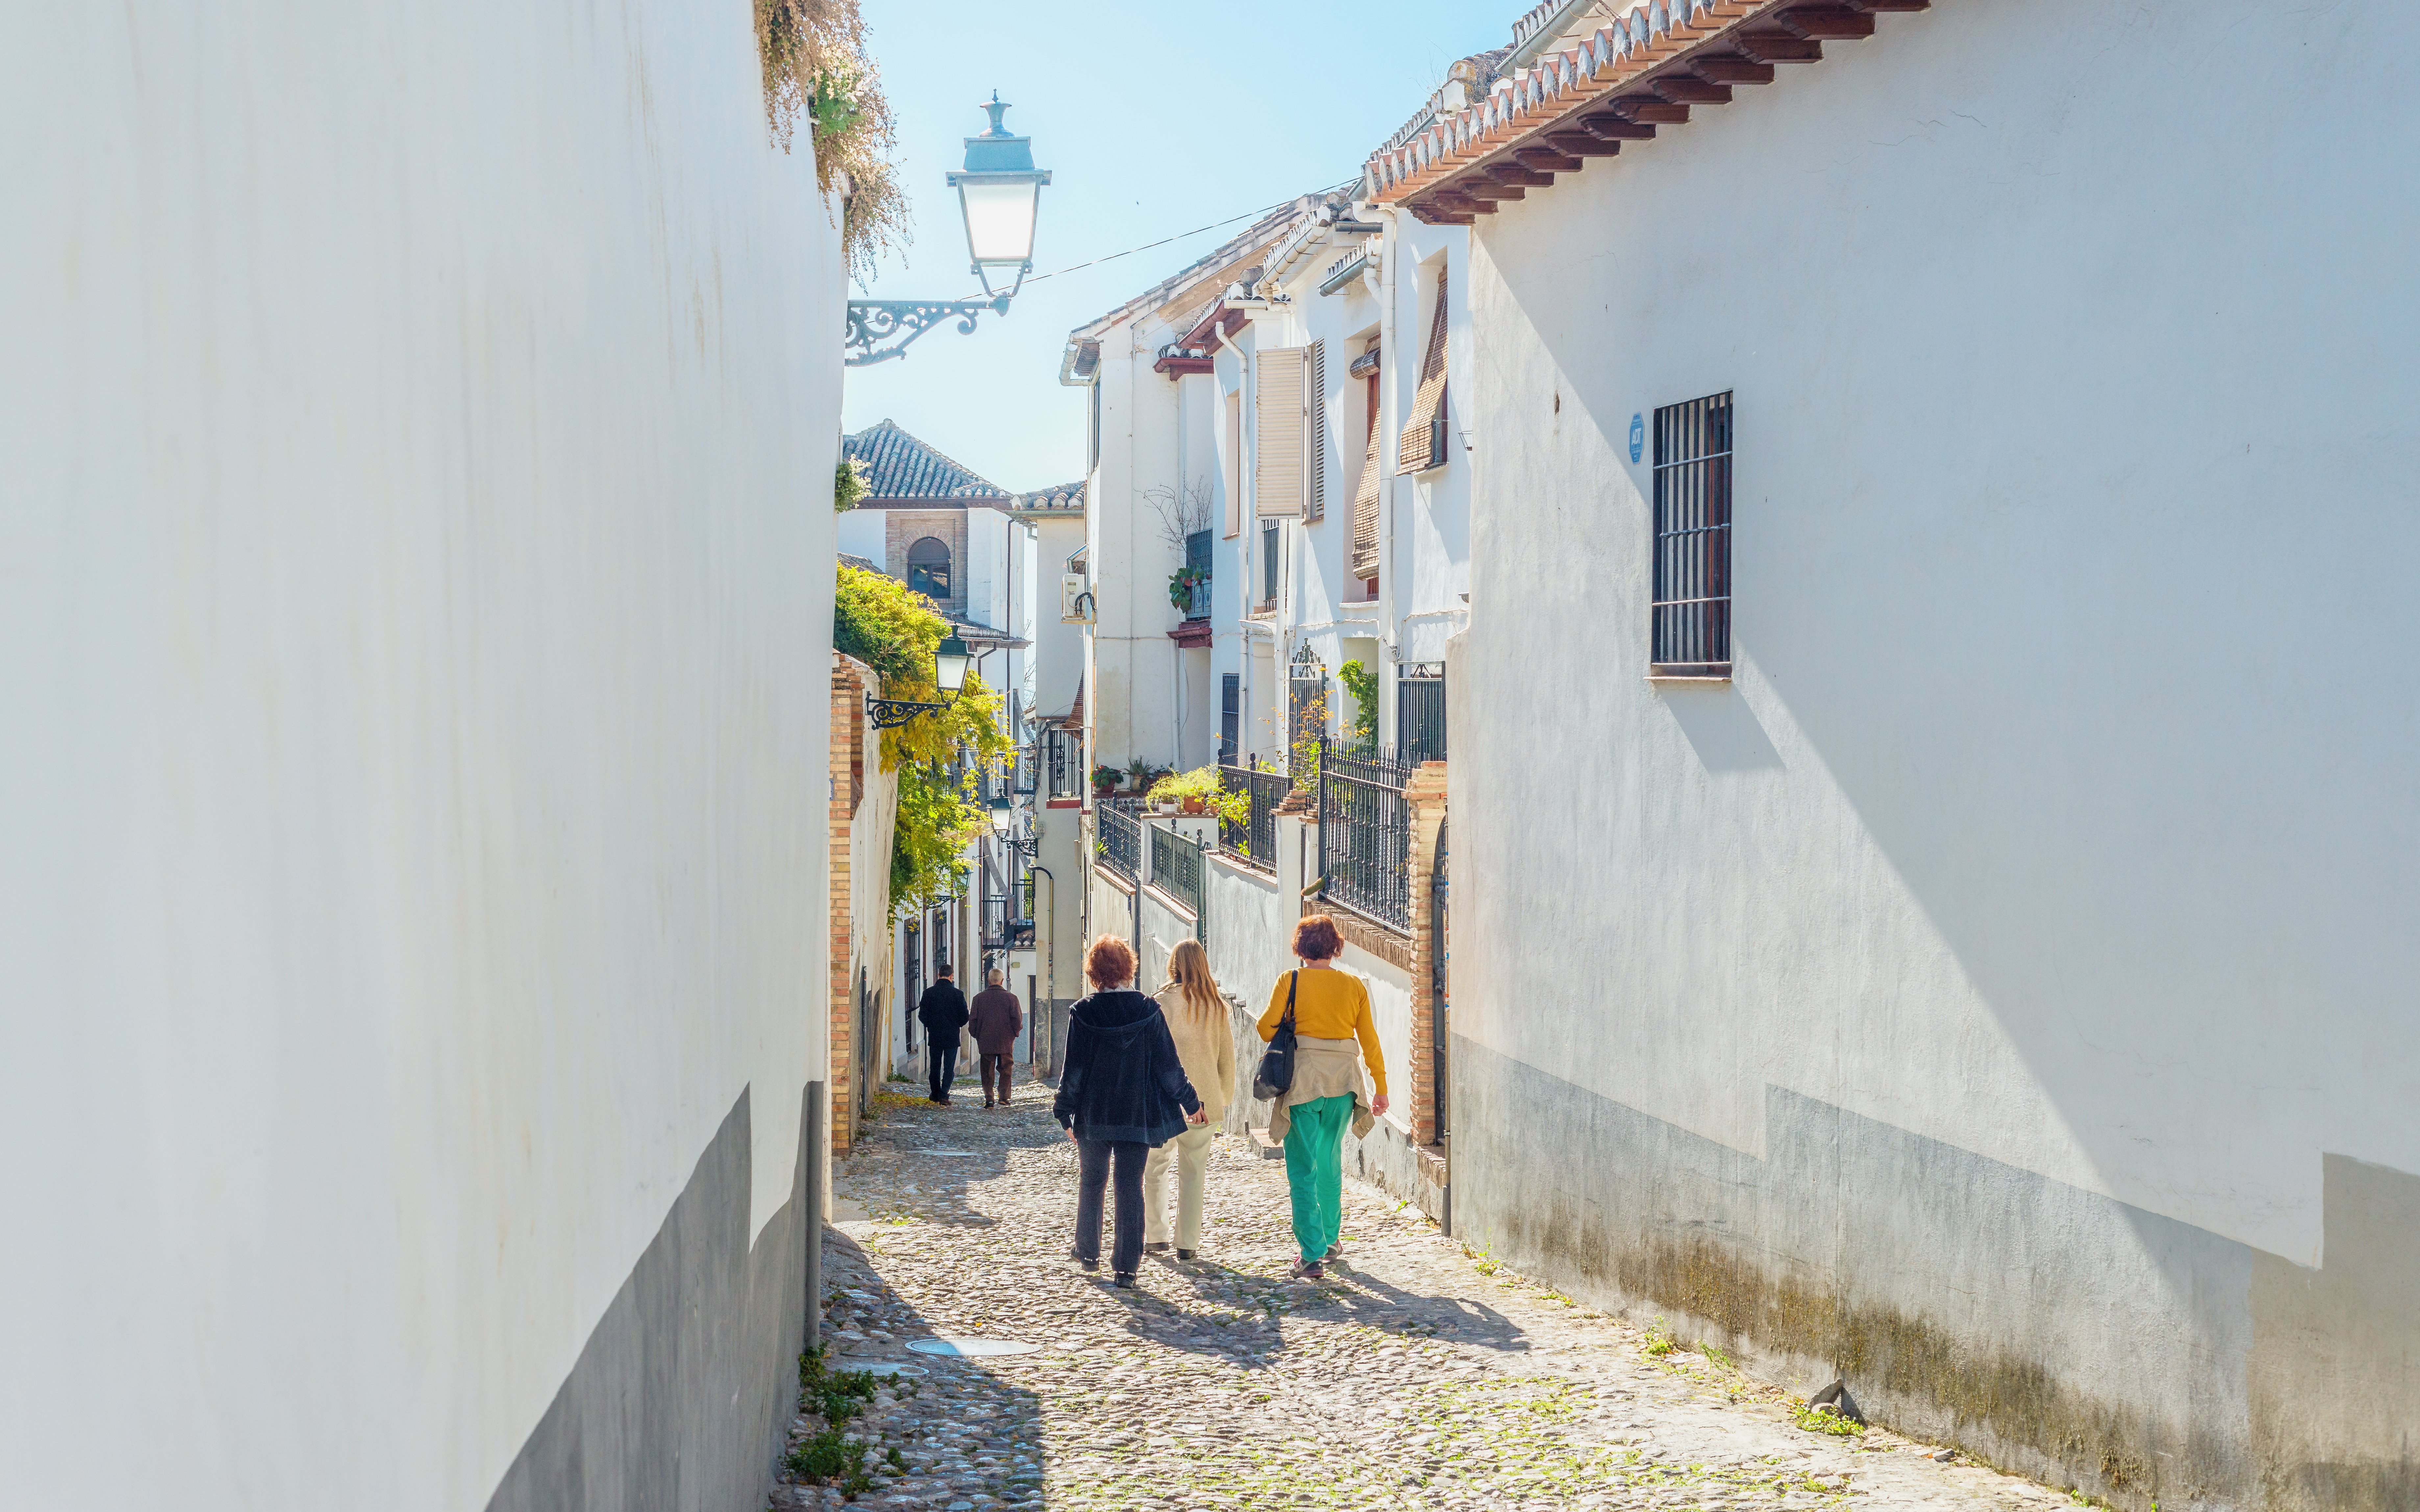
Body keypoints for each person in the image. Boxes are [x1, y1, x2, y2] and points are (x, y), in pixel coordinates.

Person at [1053, 935, 1205, 1287]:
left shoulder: (1083, 1011)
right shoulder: (1148, 1010)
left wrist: (1064, 1112)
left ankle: (1088, 1251)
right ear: (1127, 968)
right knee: (1129, 1185)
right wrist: (1191, 1102)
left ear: (1095, 973)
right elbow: (1169, 1067)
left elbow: (1073, 1071)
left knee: (1092, 1181)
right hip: (1136, 1113)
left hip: (1094, 1114)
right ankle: (1126, 1267)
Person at [1256, 914, 1387, 1281]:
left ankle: (1311, 1254)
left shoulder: (1291, 980)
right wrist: (1381, 1086)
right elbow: (1370, 1040)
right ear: (1335, 947)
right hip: (1345, 1083)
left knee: (1302, 1167)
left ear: (1300, 947)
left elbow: (1265, 1027)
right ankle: (1331, 1241)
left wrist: (1289, 1019)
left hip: (1304, 1083)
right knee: (1330, 1160)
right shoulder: (1353, 986)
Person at [1144, 938, 1234, 1261]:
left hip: (1164, 1101)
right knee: (1194, 1173)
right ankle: (1188, 1243)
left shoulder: (1159, 1003)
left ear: (1174, 965)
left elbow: (1149, 1056)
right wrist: (1221, 1096)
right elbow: (1227, 1060)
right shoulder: (1216, 1005)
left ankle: (1155, 1236)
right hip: (1205, 1102)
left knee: (1154, 1168)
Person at [968, 967, 1024, 1108]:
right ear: (1002, 981)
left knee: (987, 1070)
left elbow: (973, 1021)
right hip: (1006, 1041)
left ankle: (989, 1098)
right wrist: (1014, 1034)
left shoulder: (978, 999)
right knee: (1006, 1069)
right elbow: (1017, 1020)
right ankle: (1004, 1097)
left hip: (986, 1041)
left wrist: (977, 1035)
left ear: (988, 981)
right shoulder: (1012, 998)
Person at [915, 963, 969, 1105]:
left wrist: (931, 1025)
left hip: (935, 1035)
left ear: (938, 976)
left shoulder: (929, 993)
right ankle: (944, 1094)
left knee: (935, 1066)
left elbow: (922, 1015)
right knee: (949, 1067)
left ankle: (935, 1093)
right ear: (952, 976)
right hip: (952, 1036)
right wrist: (956, 1025)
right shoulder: (958, 994)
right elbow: (965, 1016)